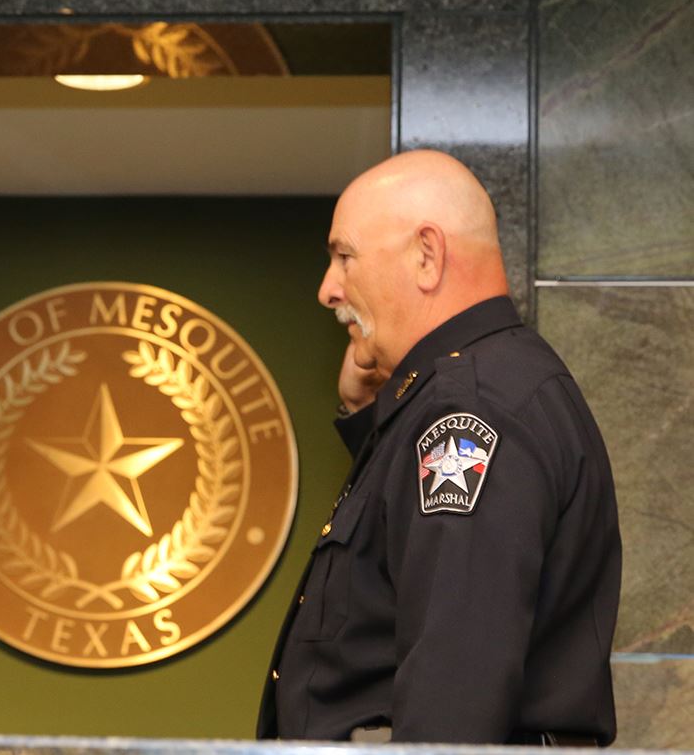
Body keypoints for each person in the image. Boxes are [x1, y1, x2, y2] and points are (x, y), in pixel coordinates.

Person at [256, 150, 621, 744]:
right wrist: (364, 414)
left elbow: (454, 689)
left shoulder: (468, 411)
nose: (328, 289)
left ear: (427, 255)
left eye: (344, 256)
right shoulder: (472, 391)